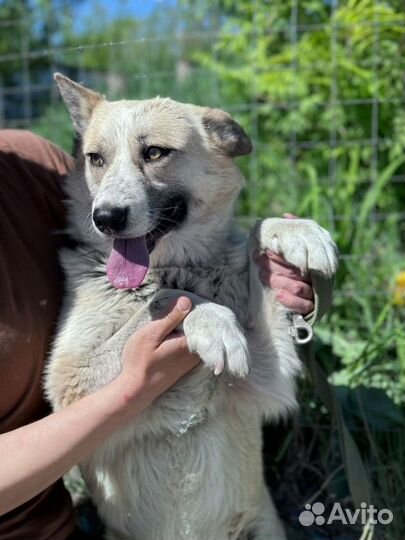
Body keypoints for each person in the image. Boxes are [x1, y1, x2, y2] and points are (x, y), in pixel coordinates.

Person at [0, 130, 320, 539]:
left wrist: (281, 274)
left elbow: (265, 379)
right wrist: (142, 370)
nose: (107, 206)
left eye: (154, 153)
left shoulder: (30, 162)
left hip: (251, 526)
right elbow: (73, 390)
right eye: (97, 159)